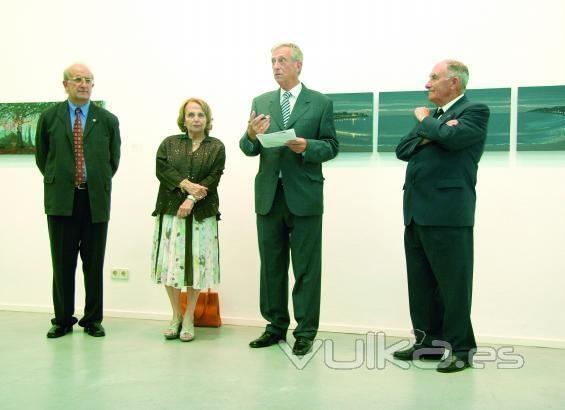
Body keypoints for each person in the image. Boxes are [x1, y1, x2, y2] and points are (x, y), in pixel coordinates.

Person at [240, 43, 339, 356]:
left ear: (299, 65)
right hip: (269, 196)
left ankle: (306, 331)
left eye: (282, 60)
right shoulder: (261, 101)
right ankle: (275, 327)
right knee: (271, 266)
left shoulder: (320, 103)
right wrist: (251, 135)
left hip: (305, 196)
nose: (276, 66)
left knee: (307, 268)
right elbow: (247, 148)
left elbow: (332, 146)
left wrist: (306, 146)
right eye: (272, 61)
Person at [394, 60, 490, 373]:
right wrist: (432, 129)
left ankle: (462, 349)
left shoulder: (475, 111)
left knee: (454, 286)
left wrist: (425, 122)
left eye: (433, 78)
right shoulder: (437, 118)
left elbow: (453, 139)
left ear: (454, 83)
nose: (427, 84)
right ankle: (429, 344)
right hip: (416, 213)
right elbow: (403, 148)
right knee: (420, 286)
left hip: (449, 213)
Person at [35, 63, 121, 338]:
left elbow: (113, 160)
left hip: (95, 200)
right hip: (61, 200)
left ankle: (93, 319)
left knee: (93, 264)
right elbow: (43, 158)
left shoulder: (106, 119)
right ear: (65, 84)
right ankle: (62, 319)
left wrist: (94, 180)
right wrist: (62, 179)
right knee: (62, 263)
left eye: (89, 80)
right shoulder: (49, 118)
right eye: (78, 80)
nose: (84, 84)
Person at [151, 98, 225, 342]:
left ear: (207, 119)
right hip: (170, 210)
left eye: (200, 115)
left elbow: (213, 177)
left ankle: (190, 317)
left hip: (202, 214)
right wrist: (185, 185)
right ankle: (175, 315)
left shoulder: (216, 147)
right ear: (183, 119)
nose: (196, 119)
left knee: (196, 266)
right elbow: (163, 170)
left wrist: (191, 199)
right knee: (170, 265)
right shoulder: (169, 143)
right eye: (191, 115)